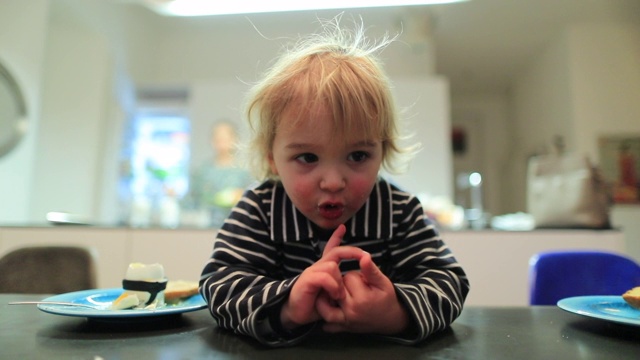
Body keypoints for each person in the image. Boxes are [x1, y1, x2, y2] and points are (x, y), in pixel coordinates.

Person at [199, 18, 469, 347]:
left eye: (357, 156)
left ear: (381, 152)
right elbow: (220, 284)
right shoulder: (260, 210)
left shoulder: (398, 210)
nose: (332, 182)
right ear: (272, 158)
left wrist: (395, 313)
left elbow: (448, 281)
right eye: (308, 158)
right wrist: (288, 304)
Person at [186, 120, 253, 227]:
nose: (222, 143)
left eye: (225, 138)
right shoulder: (203, 172)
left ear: (235, 139)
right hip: (205, 227)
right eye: (218, 139)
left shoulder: (245, 171)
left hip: (238, 225)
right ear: (212, 141)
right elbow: (193, 200)